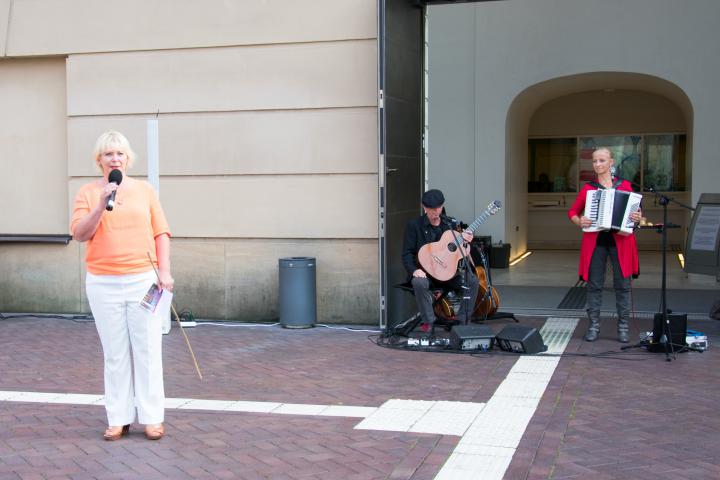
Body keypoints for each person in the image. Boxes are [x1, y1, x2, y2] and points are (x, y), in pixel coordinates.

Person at [70, 131, 173, 441]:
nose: (114, 158)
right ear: (98, 160)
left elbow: (161, 232)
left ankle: (152, 418)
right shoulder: (88, 193)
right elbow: (79, 233)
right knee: (115, 353)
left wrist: (164, 272)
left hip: (143, 279)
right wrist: (101, 205)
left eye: (119, 153)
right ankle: (118, 418)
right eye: (108, 154)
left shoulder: (145, 190)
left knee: (147, 350)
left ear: (128, 158)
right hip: (103, 282)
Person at [568, 147, 641, 343]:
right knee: (594, 286)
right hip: (596, 242)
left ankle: (623, 327)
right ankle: (593, 326)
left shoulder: (625, 186)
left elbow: (636, 215)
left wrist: (637, 216)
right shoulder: (589, 189)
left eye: (602, 160)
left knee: (623, 286)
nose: (598, 164)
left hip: (621, 241)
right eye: (594, 161)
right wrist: (579, 221)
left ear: (611, 162)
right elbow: (573, 213)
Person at [401, 189, 479, 331]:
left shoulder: (450, 224)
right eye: (431, 209)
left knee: (472, 280)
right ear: (424, 207)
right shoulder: (414, 225)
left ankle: (462, 322)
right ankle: (429, 323)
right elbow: (406, 254)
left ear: (442, 206)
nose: (435, 212)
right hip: (425, 272)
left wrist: (467, 241)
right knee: (419, 282)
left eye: (438, 208)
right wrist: (414, 270)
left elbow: (462, 252)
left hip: (447, 273)